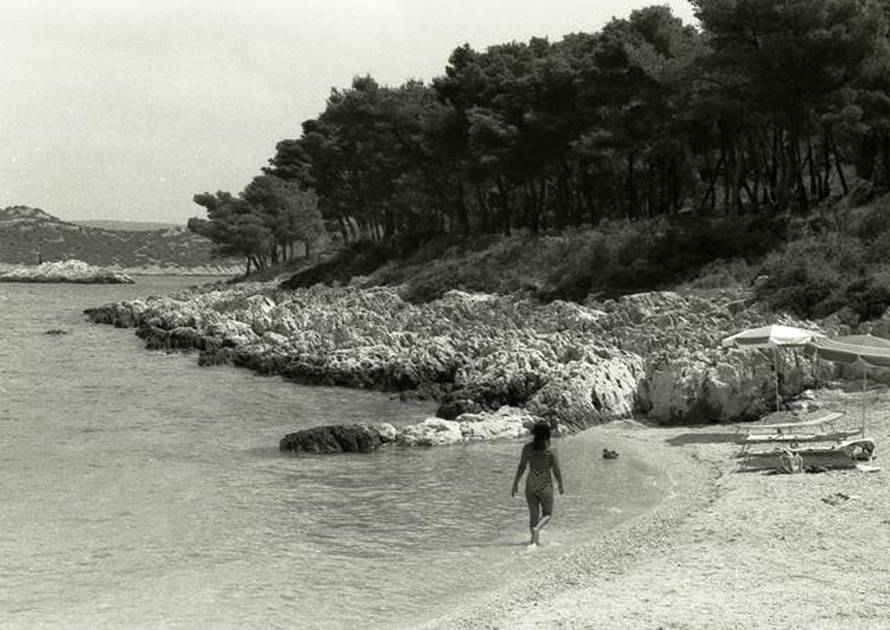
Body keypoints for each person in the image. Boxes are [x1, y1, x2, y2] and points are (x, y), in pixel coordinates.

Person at [511, 422, 564, 546]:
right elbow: (557, 470)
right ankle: (537, 530)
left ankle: (533, 542)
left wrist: (515, 483)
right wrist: (560, 484)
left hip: (531, 482)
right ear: (548, 435)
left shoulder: (527, 448)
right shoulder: (551, 451)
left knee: (533, 515)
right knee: (547, 513)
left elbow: (522, 466)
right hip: (545, 483)